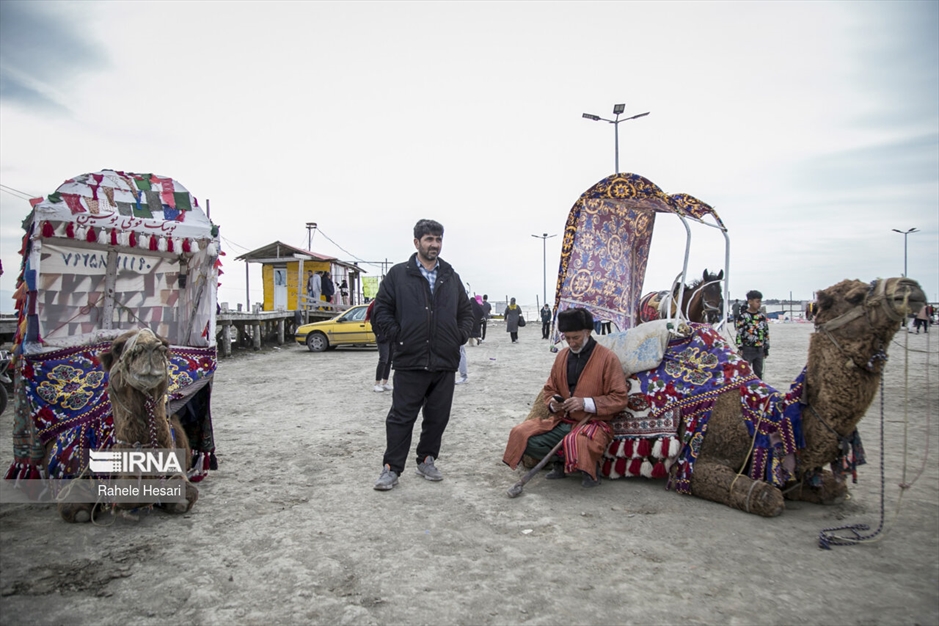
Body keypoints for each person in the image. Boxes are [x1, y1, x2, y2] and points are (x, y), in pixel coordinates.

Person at [371, 219, 473, 491]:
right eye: (429, 239)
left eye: (438, 239)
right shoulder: (398, 275)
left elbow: (466, 312)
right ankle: (391, 468)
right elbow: (381, 309)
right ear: (416, 242)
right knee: (401, 417)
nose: (435, 245)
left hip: (444, 361)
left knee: (438, 416)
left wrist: (458, 335)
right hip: (410, 360)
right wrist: (398, 335)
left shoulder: (450, 276)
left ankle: (427, 459)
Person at [502, 308, 629, 487]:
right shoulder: (562, 356)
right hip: (563, 421)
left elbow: (619, 398)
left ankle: (590, 469)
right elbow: (549, 389)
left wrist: (584, 403)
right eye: (567, 338)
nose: (571, 342)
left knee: (579, 441)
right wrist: (553, 404)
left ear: (588, 332)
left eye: (575, 338)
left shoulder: (608, 359)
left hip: (592, 422)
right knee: (522, 435)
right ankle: (560, 461)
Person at [735, 289, 769, 379]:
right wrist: (740, 347)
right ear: (750, 301)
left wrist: (766, 348)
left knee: (758, 373)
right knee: (745, 372)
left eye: (760, 302)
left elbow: (766, 333)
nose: (759, 304)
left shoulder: (762, 317)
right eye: (757, 301)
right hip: (747, 349)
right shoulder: (743, 316)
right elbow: (739, 333)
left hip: (759, 349)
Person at [365, 299, 393, 392]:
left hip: (390, 336)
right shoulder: (376, 306)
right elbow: (373, 322)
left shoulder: (389, 304)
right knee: (383, 359)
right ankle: (377, 383)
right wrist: (378, 334)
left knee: (389, 360)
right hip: (382, 336)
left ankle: (385, 382)